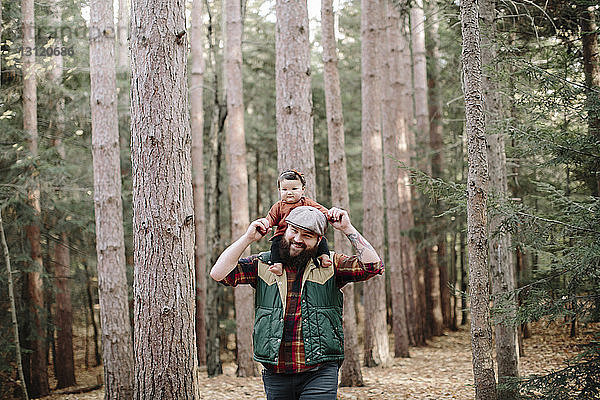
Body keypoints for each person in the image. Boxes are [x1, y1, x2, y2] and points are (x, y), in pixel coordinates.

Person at [210, 205, 384, 400]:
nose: (298, 239)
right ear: (285, 229)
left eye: (307, 235)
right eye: (294, 231)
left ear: (319, 240)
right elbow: (219, 274)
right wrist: (248, 238)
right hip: (276, 371)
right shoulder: (264, 264)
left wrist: (347, 229)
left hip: (320, 370)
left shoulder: (330, 265)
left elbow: (373, 266)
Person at [265, 169, 331, 276]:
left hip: (306, 232)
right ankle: (277, 264)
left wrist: (330, 214)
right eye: (284, 189)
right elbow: (271, 218)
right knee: (275, 244)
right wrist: (265, 225)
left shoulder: (306, 203)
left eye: (294, 189)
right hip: (283, 235)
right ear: (279, 190)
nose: (289, 192)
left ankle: (324, 256)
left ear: (302, 189)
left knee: (321, 239)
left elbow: (322, 210)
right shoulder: (278, 206)